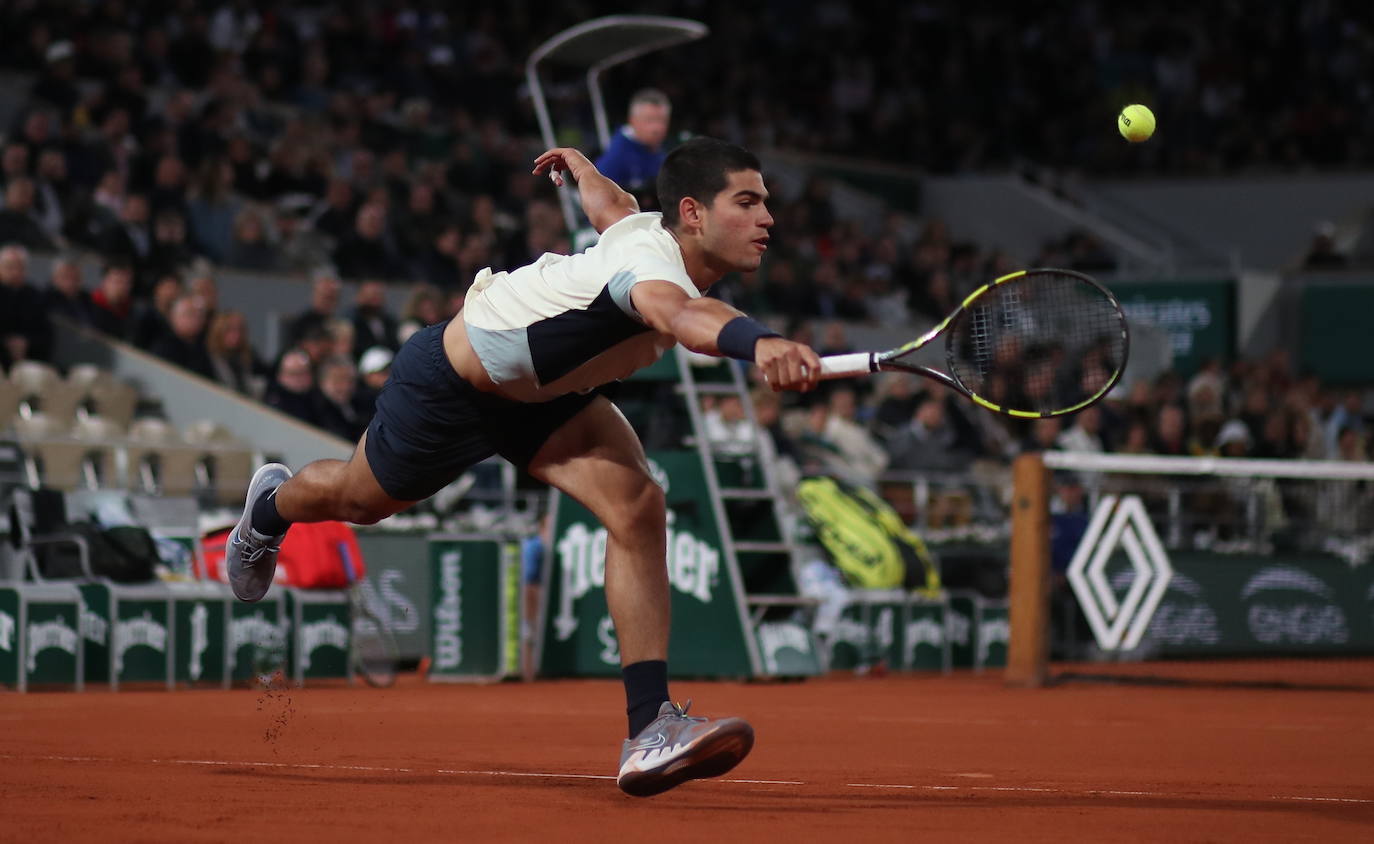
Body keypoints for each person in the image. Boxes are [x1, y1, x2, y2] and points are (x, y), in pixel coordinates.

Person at [225, 139, 818, 797]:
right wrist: (759, 340)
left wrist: (585, 169)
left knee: (638, 504)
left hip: (546, 399)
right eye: (748, 201)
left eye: (765, 202)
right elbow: (682, 316)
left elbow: (613, 207)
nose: (768, 218)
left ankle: (650, 726)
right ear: (692, 212)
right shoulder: (653, 270)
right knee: (359, 500)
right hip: (453, 384)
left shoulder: (643, 228)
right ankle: (269, 510)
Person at [595, 89, 672, 194]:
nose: (656, 128)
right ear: (632, 121)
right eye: (649, 120)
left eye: (662, 120)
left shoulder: (662, 153)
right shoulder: (615, 158)